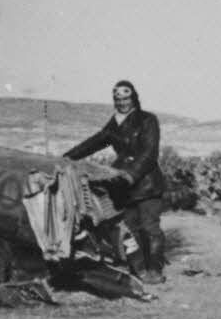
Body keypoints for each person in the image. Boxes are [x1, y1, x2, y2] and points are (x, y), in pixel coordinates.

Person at [64, 79, 167, 283]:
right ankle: (139, 270)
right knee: (131, 229)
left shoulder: (148, 120)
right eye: (117, 99)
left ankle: (154, 269)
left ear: (134, 97)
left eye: (126, 98)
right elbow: (94, 142)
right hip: (123, 185)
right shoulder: (115, 123)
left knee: (150, 228)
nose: (122, 102)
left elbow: (150, 152)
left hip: (147, 184)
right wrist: (66, 158)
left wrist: (131, 174)